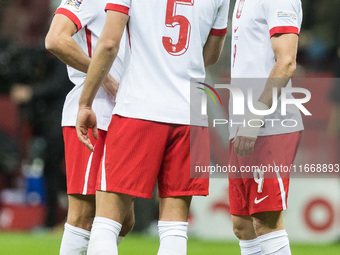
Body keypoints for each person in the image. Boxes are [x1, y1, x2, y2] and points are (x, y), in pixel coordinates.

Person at [76, 0, 230, 254]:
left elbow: (108, 43)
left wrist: (85, 102)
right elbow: (210, 56)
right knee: (174, 229)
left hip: (139, 108)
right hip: (190, 113)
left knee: (106, 224)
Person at [45, 0, 134, 254]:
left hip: (124, 113)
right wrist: (104, 77)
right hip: (95, 111)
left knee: (124, 220)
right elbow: (55, 39)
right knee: (84, 216)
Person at [228, 0, 304, 254]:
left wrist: (255, 116)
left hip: (269, 124)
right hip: (241, 122)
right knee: (243, 224)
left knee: (265, 221)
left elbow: (287, 62)